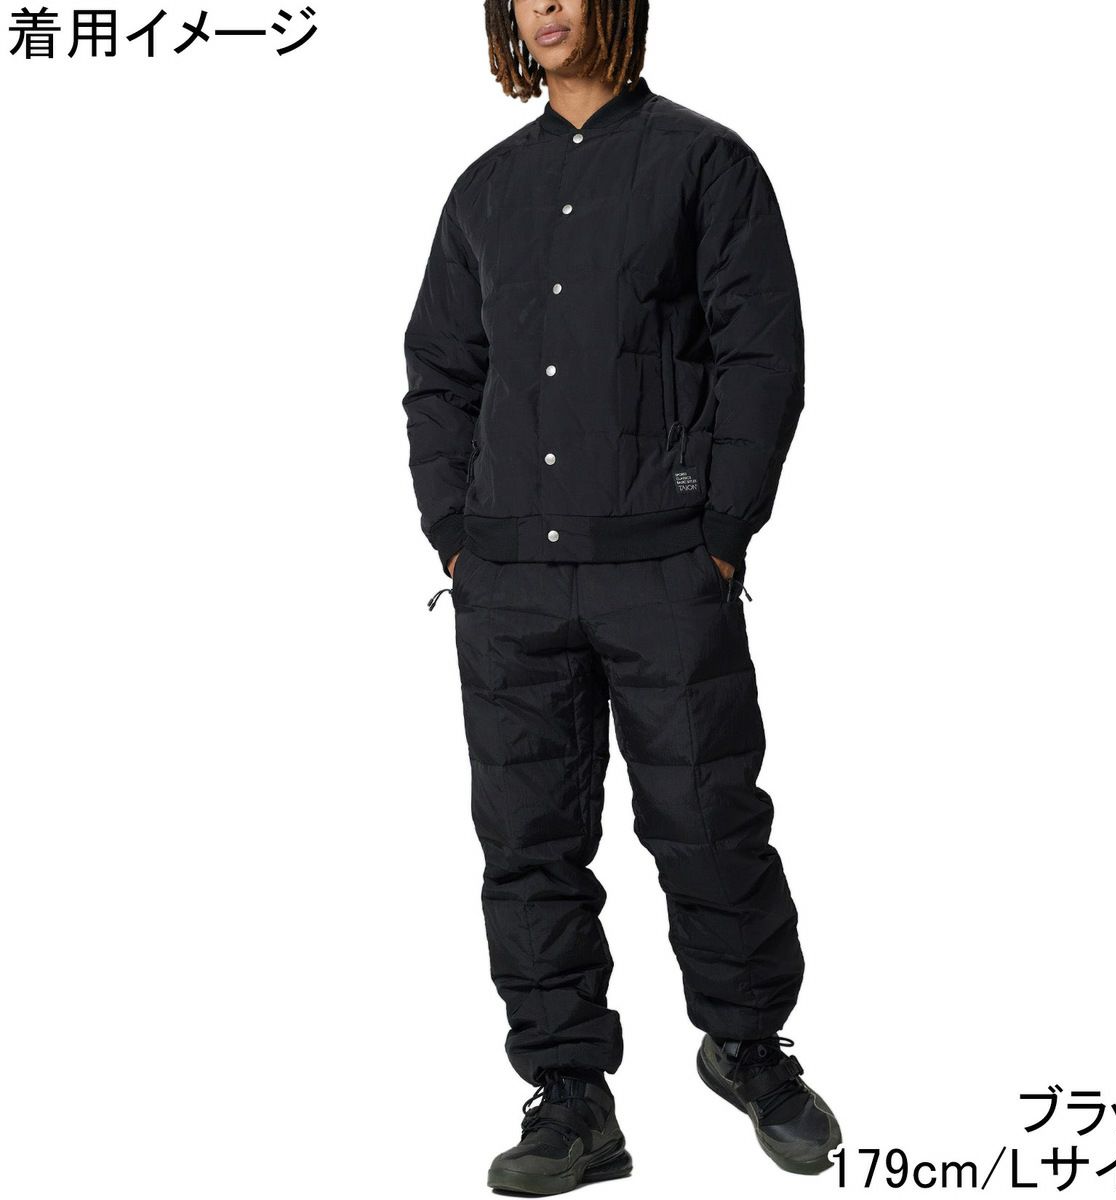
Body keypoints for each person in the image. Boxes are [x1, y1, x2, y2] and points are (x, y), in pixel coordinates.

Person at [403, 1, 841, 1190]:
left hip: (662, 567)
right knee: (529, 841)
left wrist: (721, 535)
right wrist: (455, 538)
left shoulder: (705, 163)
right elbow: (440, 370)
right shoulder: (485, 190)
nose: (543, 7)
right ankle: (570, 1096)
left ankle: (748, 1046)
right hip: (509, 581)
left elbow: (763, 355)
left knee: (707, 817)